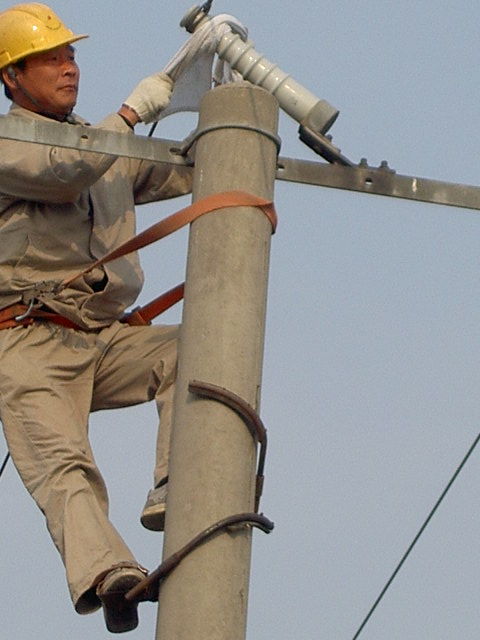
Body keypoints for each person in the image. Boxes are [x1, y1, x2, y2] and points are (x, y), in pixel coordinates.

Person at [0, 3, 193, 633]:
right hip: (26, 341)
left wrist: (224, 113)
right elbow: (65, 173)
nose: (68, 68)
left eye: (71, 55)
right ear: (11, 78)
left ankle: (178, 481)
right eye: (50, 59)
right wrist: (131, 114)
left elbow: (180, 169)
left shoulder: (100, 144)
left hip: (102, 338)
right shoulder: (11, 144)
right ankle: (110, 574)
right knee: (63, 466)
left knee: (200, 348)